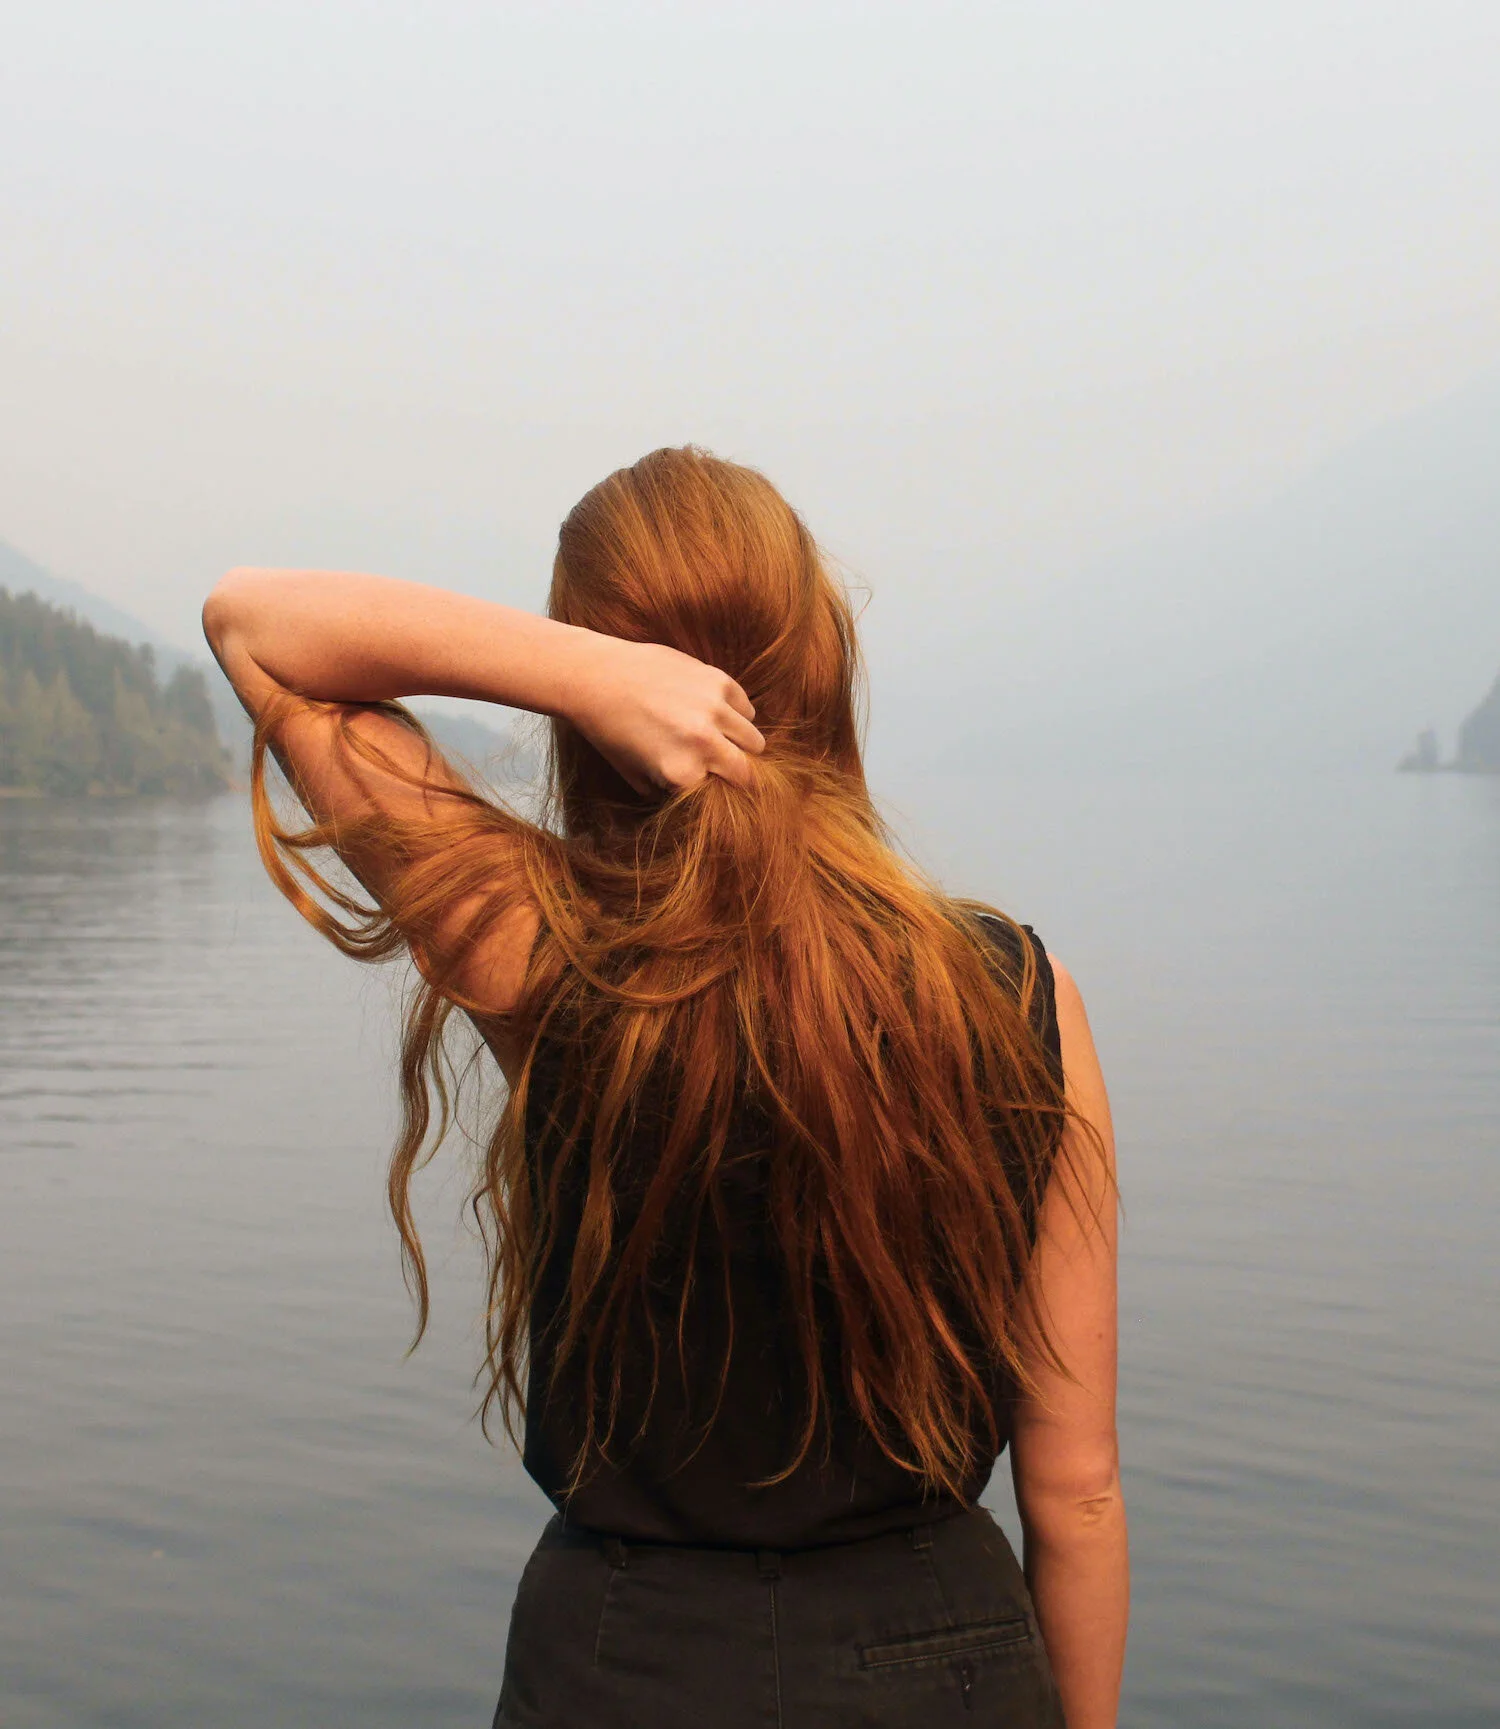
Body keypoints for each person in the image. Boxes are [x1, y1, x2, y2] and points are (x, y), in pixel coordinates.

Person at [203, 446, 1126, 1728]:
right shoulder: (1018, 992)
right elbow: (1075, 1493)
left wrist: (582, 674)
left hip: (629, 1662)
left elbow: (253, 625)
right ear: (824, 664)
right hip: (948, 1658)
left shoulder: (545, 956)